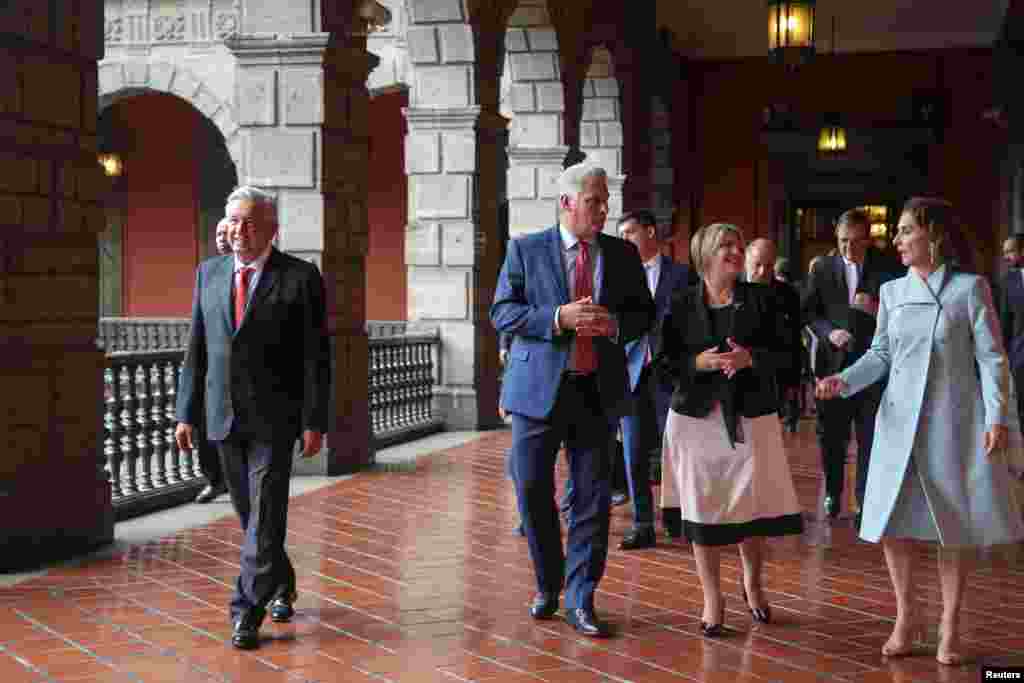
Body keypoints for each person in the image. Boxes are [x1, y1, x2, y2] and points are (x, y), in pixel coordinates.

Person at [816, 197, 1024, 665]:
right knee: (893, 523)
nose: (897, 239)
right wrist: (843, 380)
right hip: (898, 425)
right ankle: (906, 617)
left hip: (955, 424)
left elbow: (992, 359)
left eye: (907, 230)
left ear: (936, 236)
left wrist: (997, 417)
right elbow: (881, 355)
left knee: (955, 526)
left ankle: (950, 623)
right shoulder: (892, 292)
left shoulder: (970, 289)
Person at [491, 162, 654, 638]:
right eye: (593, 201)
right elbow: (502, 312)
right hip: (537, 391)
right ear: (566, 203)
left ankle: (581, 597)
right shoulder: (525, 249)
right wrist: (557, 318)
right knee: (531, 491)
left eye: (605, 201)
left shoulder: (622, 254)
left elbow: (644, 314)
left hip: (596, 389)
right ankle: (549, 582)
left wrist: (615, 325)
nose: (603, 210)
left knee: (592, 499)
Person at [175, 186, 330, 650]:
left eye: (249, 222)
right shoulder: (209, 273)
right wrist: (186, 413)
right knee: (251, 516)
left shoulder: (300, 276)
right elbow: (196, 349)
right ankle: (281, 582)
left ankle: (246, 611)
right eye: (233, 221)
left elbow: (315, 356)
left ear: (271, 230)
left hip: (275, 417)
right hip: (222, 415)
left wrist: (315, 419)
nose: (238, 230)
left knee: (264, 515)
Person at [655, 222, 803, 638]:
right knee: (701, 506)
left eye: (739, 245)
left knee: (749, 505)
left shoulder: (763, 299)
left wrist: (751, 359)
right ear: (705, 254)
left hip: (751, 417)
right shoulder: (680, 303)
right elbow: (663, 364)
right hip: (695, 421)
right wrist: (696, 363)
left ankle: (752, 583)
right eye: (727, 245)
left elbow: (791, 357)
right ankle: (712, 598)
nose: (736, 252)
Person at [801, 210, 896, 520]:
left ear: (868, 240)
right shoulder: (822, 268)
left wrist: (876, 308)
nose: (848, 248)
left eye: (855, 242)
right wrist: (830, 332)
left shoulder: (887, 267)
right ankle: (833, 491)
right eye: (843, 241)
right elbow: (809, 314)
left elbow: (902, 312)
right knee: (831, 436)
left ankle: (864, 501)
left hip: (873, 367)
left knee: (870, 436)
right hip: (832, 366)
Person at [616, 209, 690, 547]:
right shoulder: (616, 277)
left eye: (629, 232)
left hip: (669, 376)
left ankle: (677, 516)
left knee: (675, 449)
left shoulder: (682, 275)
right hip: (630, 375)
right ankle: (643, 524)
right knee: (633, 451)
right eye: (621, 234)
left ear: (649, 232)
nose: (624, 240)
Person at [193, 217, 233, 504]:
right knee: (205, 426)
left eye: (225, 233)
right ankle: (215, 480)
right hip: (211, 365)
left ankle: (234, 479)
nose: (221, 238)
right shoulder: (207, 272)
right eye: (218, 233)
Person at [745, 239, 801, 433]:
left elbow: (794, 339)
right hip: (739, 376)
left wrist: (793, 382)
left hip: (774, 377)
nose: (762, 272)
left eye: (768, 266)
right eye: (757, 265)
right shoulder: (732, 288)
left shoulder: (788, 294)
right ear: (746, 261)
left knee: (767, 436)